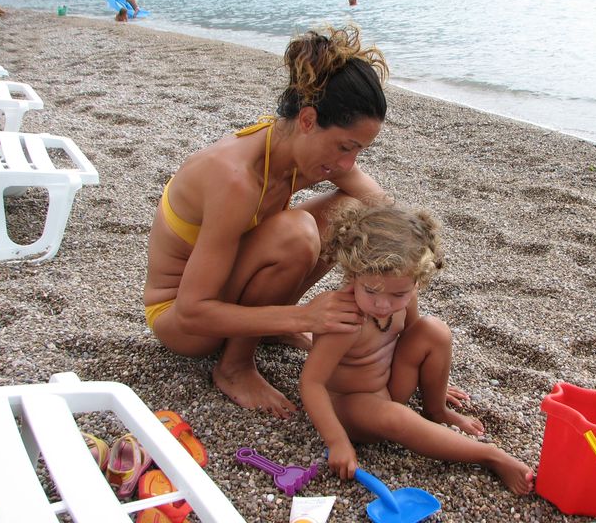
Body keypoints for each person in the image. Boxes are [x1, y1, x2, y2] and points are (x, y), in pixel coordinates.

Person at [143, 26, 391, 419]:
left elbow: (388, 215)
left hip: (224, 294)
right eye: (345, 147)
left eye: (358, 151)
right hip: (183, 323)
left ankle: (270, 328)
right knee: (296, 233)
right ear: (307, 119)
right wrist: (304, 316)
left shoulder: (299, 149)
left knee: (352, 212)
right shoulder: (235, 179)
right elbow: (191, 311)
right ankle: (235, 367)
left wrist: (400, 338)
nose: (348, 163)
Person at [300, 202, 535, 495]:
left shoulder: (404, 295)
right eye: (371, 291)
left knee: (433, 329)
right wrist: (336, 441)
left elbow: (411, 339)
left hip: (388, 385)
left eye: (398, 293)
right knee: (395, 418)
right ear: (353, 273)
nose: (383, 304)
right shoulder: (345, 319)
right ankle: (489, 456)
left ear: (416, 282)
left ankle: (436, 410)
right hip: (351, 406)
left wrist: (431, 381)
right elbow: (311, 383)